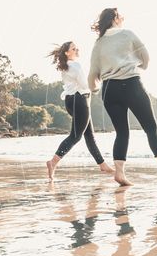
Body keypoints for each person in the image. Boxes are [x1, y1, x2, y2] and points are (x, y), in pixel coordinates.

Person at [87, 7, 157, 186]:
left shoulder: (98, 44)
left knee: (122, 132)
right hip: (131, 84)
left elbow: (92, 73)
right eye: (120, 15)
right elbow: (146, 57)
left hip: (109, 90)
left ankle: (120, 173)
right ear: (114, 18)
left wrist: (95, 90)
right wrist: (140, 66)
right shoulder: (127, 34)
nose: (123, 18)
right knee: (151, 128)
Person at [46, 41, 114, 180]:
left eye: (77, 48)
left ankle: (102, 164)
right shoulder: (75, 65)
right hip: (80, 101)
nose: (77, 50)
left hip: (72, 101)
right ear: (67, 52)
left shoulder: (65, 67)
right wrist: (98, 79)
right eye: (73, 48)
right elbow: (85, 84)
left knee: (89, 135)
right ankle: (53, 162)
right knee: (76, 136)